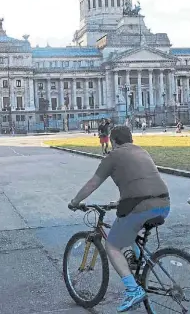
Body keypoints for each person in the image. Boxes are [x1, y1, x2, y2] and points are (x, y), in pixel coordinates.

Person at [69, 125, 170, 312]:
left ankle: (133, 290)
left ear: (113, 141)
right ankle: (140, 263)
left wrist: (75, 201)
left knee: (112, 246)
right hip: (164, 202)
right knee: (129, 225)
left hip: (140, 206)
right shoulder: (142, 151)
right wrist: (120, 201)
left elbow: (93, 183)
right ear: (131, 139)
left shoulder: (113, 155)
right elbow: (140, 181)